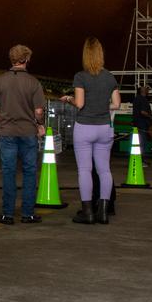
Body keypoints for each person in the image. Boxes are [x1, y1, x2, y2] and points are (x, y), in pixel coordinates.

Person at [59, 38, 119, 225]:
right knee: (104, 170)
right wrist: (102, 106)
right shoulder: (110, 77)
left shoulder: (81, 76)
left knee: (85, 170)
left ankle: (88, 213)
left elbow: (80, 103)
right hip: (104, 128)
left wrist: (68, 98)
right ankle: (102, 212)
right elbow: (116, 104)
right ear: (101, 54)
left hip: (85, 127)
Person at [0, 44, 46, 224]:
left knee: (8, 172)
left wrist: (1, 124)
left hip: (7, 133)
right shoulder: (33, 82)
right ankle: (27, 213)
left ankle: (7, 214)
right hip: (28, 133)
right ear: (26, 60)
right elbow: (39, 111)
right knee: (29, 172)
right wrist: (40, 125)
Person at [131, 85, 152, 162]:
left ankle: (138, 159)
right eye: (147, 90)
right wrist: (150, 117)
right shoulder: (143, 100)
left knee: (138, 142)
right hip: (142, 123)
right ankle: (141, 160)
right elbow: (143, 112)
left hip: (137, 123)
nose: (148, 91)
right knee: (142, 142)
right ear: (143, 91)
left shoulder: (136, 99)